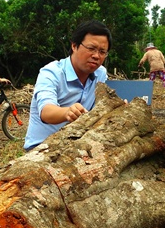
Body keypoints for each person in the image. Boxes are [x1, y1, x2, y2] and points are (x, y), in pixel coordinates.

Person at [23, 20, 111, 151]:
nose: (96, 56)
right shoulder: (51, 73)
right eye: (91, 49)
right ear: (74, 46)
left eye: (102, 52)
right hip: (41, 148)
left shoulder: (101, 74)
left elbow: (104, 105)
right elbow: (46, 111)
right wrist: (67, 112)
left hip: (76, 146)